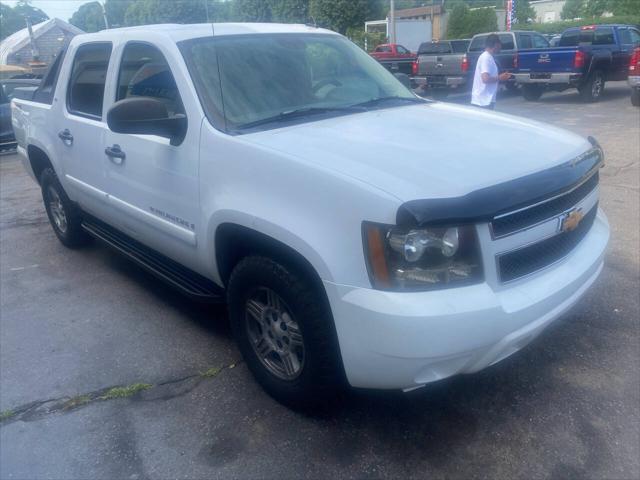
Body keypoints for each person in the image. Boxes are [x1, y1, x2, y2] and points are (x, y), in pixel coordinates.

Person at [471, 34, 512, 110]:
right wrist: (500, 77)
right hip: (483, 102)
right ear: (496, 45)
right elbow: (485, 79)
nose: (501, 47)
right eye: (500, 45)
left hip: (485, 100)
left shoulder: (488, 57)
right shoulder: (486, 58)